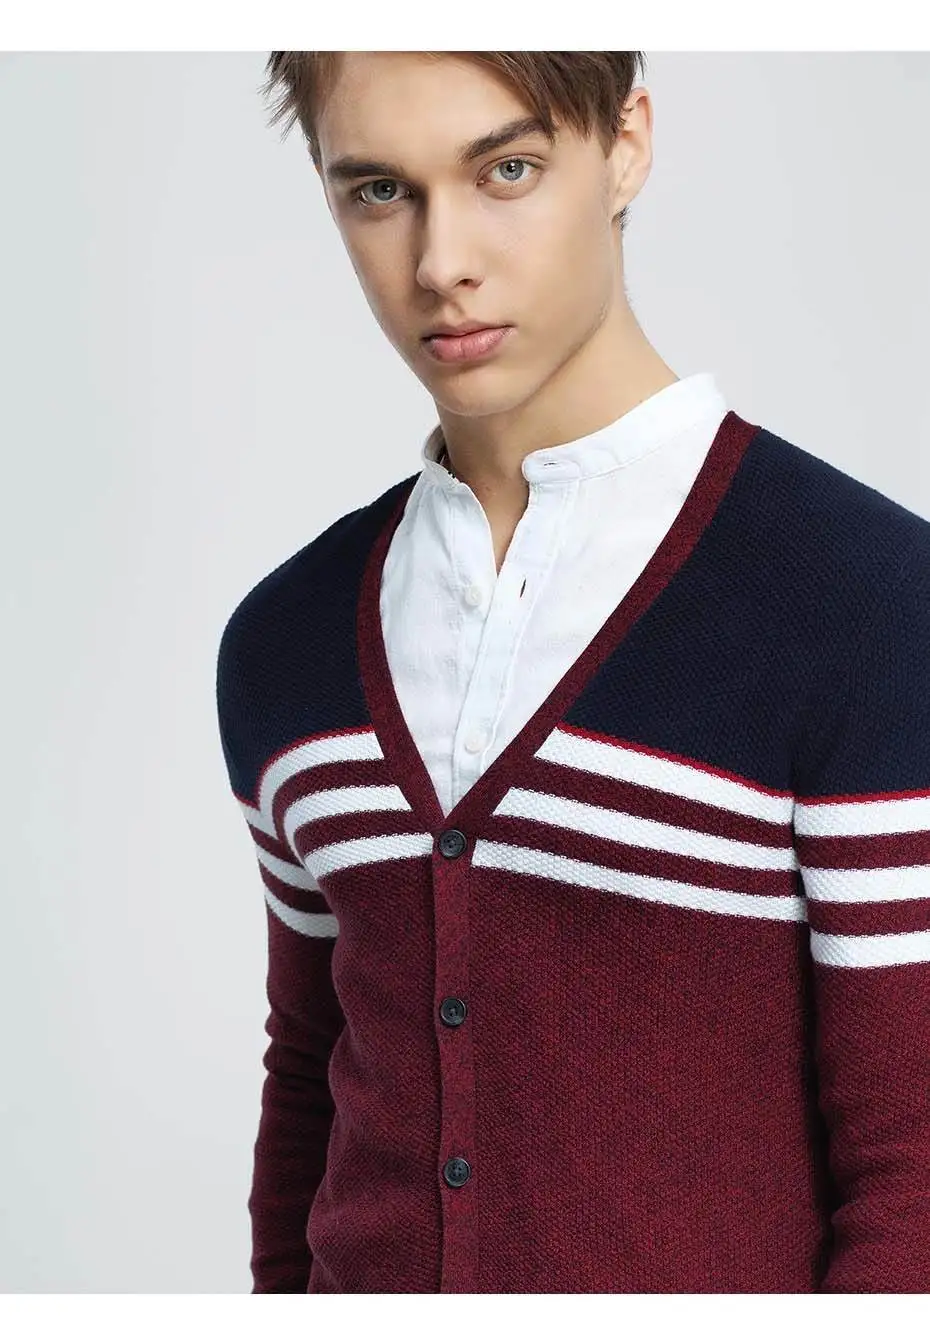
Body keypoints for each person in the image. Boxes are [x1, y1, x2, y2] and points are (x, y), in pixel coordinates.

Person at [215, 51, 930, 1294]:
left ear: (626, 145)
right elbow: (310, 1086)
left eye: (506, 170)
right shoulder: (285, 641)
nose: (441, 263)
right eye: (379, 191)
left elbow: (913, 1166)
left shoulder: (867, 603)